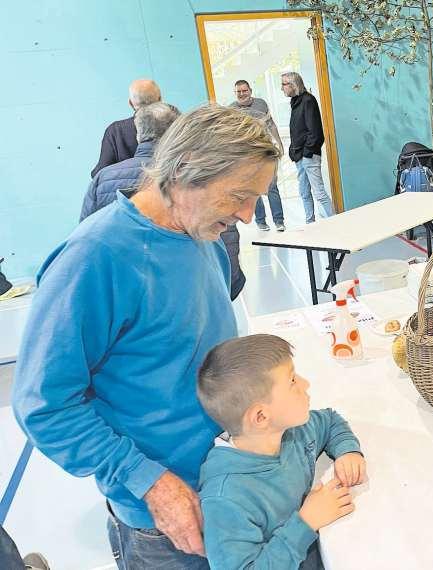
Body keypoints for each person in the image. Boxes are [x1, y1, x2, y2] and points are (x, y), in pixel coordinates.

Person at [13, 105, 281, 568]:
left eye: (255, 198)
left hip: (228, 486)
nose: (246, 214)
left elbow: (202, 360)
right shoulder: (95, 257)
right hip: (167, 519)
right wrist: (150, 482)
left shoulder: (204, 240)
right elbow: (43, 405)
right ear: (183, 171)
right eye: (239, 196)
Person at [197, 334, 365, 569]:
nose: (306, 384)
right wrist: (306, 522)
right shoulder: (226, 499)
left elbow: (329, 421)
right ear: (261, 417)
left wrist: (348, 451)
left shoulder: (290, 431)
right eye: (293, 381)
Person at [79, 102, 247, 300]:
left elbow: (86, 244)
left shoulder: (103, 179)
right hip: (192, 291)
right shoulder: (196, 175)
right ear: (178, 133)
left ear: (138, 134)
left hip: (125, 295)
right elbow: (224, 237)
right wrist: (230, 284)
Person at [229, 79, 286, 232]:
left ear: (250, 91)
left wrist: (280, 144)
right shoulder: (231, 109)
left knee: (272, 187)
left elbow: (271, 124)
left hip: (265, 152)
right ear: (235, 93)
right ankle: (261, 221)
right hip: (247, 156)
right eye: (239, 92)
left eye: (244, 90)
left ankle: (279, 221)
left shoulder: (261, 104)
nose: (242, 94)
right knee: (254, 190)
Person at [281, 72, 335, 223]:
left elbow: (315, 132)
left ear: (293, 84)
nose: (281, 88)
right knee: (304, 193)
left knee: (319, 193)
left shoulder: (308, 100)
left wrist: (307, 153)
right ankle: (309, 223)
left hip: (309, 156)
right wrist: (293, 151)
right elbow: (298, 130)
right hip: (299, 156)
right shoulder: (295, 101)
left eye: (284, 84)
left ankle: (335, 223)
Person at [91, 79, 161, 177]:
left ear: (130, 103)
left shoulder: (115, 131)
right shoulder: (175, 126)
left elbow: (100, 172)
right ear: (160, 99)